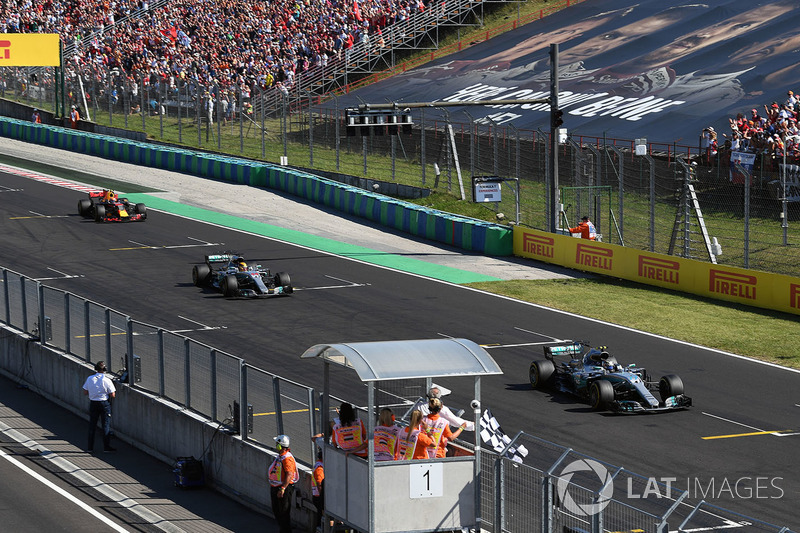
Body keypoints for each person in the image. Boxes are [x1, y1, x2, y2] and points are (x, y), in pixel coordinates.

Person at [82, 360, 116, 453]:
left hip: (93, 403)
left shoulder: (90, 378)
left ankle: (90, 447)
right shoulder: (107, 380)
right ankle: (106, 447)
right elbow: (112, 395)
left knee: (92, 425)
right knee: (105, 425)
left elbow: (85, 392)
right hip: (104, 403)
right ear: (105, 369)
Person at [268, 434, 298, 533]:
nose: (276, 445)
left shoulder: (287, 458)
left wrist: (283, 488)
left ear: (280, 446)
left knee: (283, 512)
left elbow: (289, 474)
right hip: (276, 486)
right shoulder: (281, 456)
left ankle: (285, 531)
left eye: (277, 443)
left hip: (283, 488)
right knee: (277, 511)